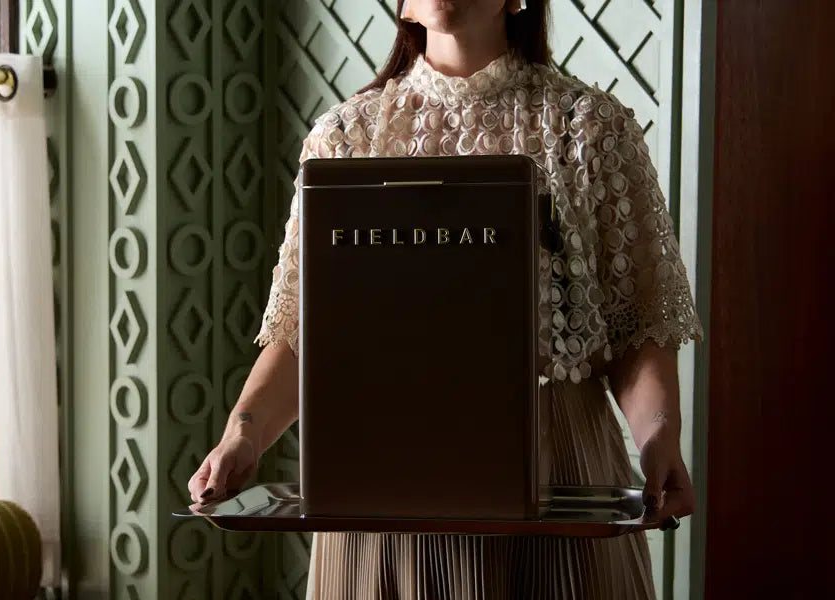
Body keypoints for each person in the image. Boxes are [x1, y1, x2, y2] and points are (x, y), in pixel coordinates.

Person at [188, 0, 703, 597]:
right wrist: (243, 433)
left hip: (555, 467)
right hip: (376, 470)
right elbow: (302, 333)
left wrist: (660, 433)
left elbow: (638, 325)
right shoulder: (344, 136)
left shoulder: (592, 128)